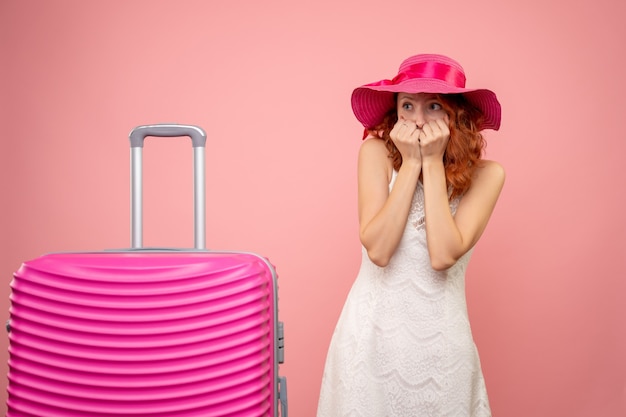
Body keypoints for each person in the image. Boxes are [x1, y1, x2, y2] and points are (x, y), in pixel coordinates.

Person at [316, 53, 504, 417]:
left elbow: (443, 255)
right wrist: (411, 163)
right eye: (407, 105)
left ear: (458, 115)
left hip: (441, 344)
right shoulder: (375, 153)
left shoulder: (488, 175)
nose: (418, 120)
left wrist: (431, 162)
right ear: (395, 111)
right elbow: (380, 250)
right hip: (369, 338)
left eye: (434, 106)